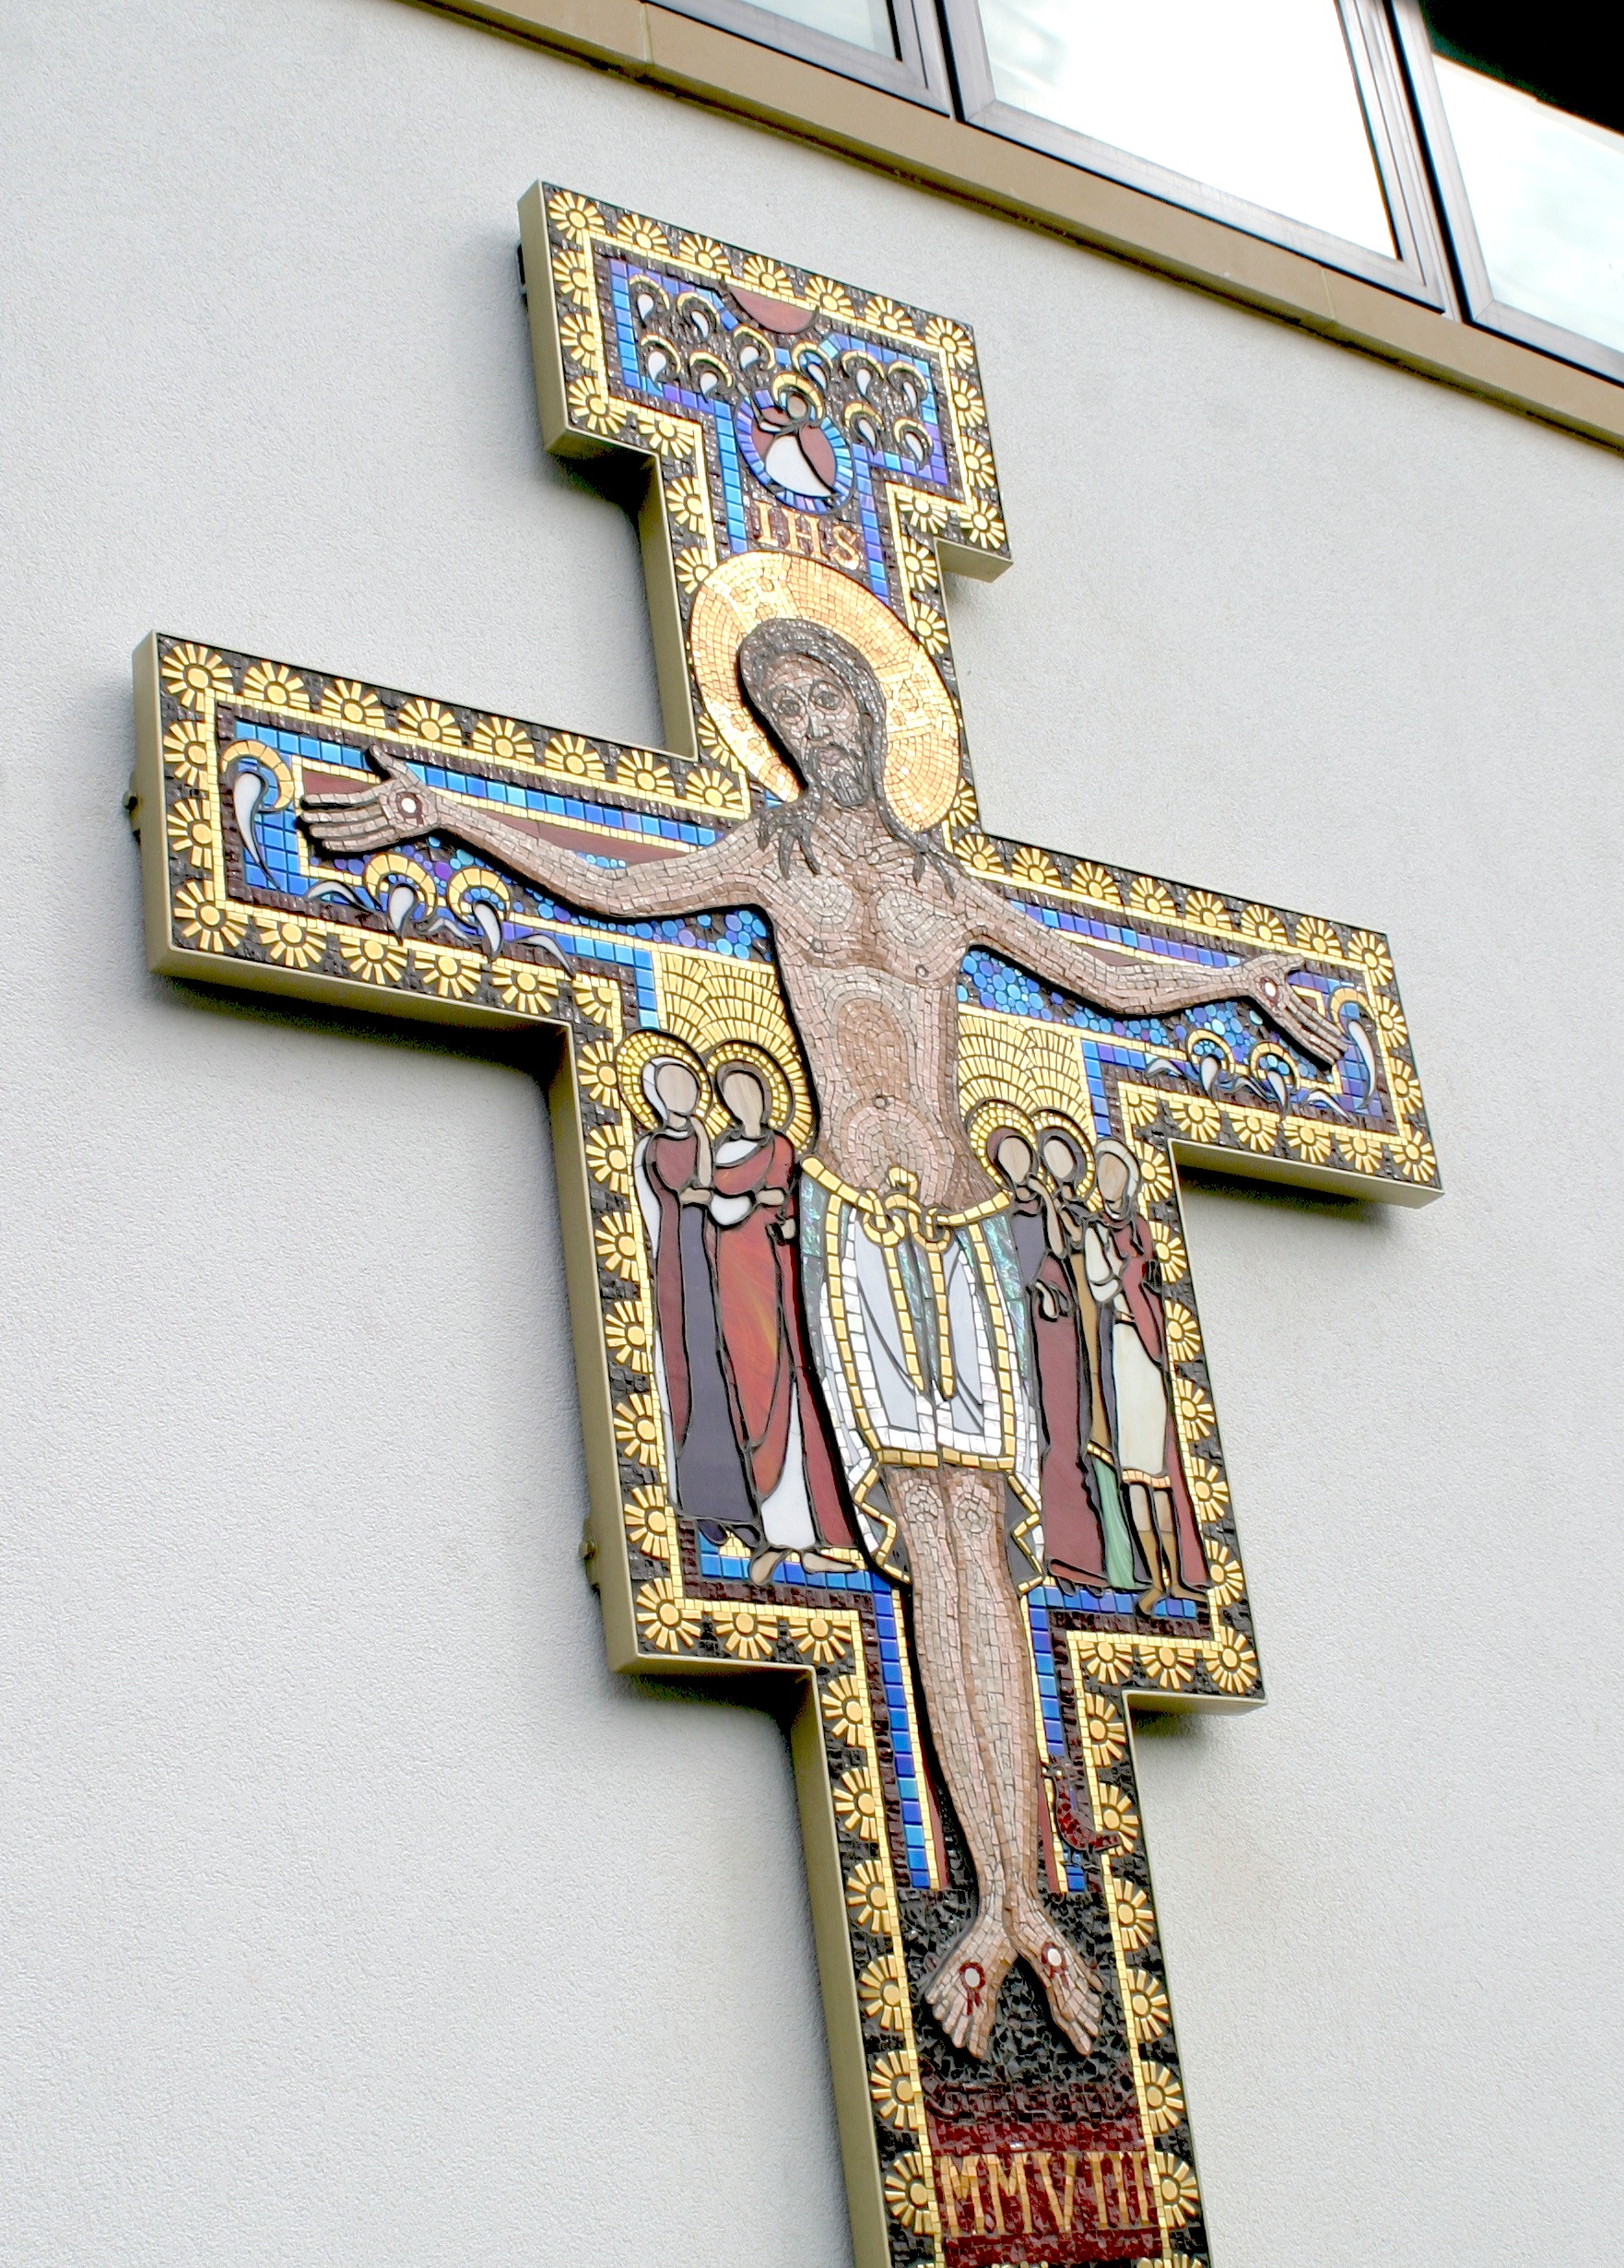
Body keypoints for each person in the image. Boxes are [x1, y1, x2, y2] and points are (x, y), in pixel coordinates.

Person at [303, 610, 1341, 2063]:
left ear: (868, 700)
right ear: (774, 726)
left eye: (828, 688)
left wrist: (1234, 982)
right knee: (919, 1534)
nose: (813, 715)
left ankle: (1023, 1900)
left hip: (972, 1228)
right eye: (781, 697)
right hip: (851, 1218)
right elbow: (612, 887)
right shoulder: (765, 855)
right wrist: (448, 813)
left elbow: (1105, 976)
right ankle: (991, 1899)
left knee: (986, 1549)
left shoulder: (945, 882)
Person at [703, 1057, 858, 1584]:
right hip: (739, 1278)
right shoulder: (723, 1153)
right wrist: (749, 1199)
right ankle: (773, 1532)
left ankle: (812, 1537)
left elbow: (803, 1203)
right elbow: (715, 1209)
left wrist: (793, 1224)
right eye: (738, 1092)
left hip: (784, 1275)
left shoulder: (785, 1149)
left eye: (755, 1092)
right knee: (755, 1391)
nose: (749, 1102)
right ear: (727, 1100)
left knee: (801, 1391)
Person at [990, 1121, 1129, 1592]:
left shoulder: (1054, 1206)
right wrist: (1035, 1292)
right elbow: (1011, 1268)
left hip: (1069, 1325)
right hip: (1034, 1326)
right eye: (1009, 1157)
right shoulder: (1003, 1212)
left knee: (1079, 1436)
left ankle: (1089, 1559)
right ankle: (1060, 1557)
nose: (1022, 1165)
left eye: (1024, 1155)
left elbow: (1066, 1250)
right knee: (1049, 1438)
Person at [1082, 1138, 1210, 1616]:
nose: (1108, 1180)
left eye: (1116, 1172)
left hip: (1154, 1350)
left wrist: (1133, 1269)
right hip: (1125, 1350)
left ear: (1130, 1180)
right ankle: (1153, 1580)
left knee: (1161, 1472)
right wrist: (1131, 1270)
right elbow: (1103, 1284)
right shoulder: (1097, 1230)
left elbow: (1151, 1278)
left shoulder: (1141, 1228)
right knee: (1134, 1472)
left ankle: (1178, 1578)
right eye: (1103, 1173)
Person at [631, 1055, 758, 1539]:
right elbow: (677, 1196)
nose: (683, 1094)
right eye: (672, 1086)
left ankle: (742, 1506)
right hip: (679, 1262)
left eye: (688, 1084)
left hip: (711, 1255)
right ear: (658, 1095)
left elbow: (708, 1193)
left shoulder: (706, 1138)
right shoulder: (654, 1145)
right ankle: (703, 1502)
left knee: (726, 1370)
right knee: (691, 1370)